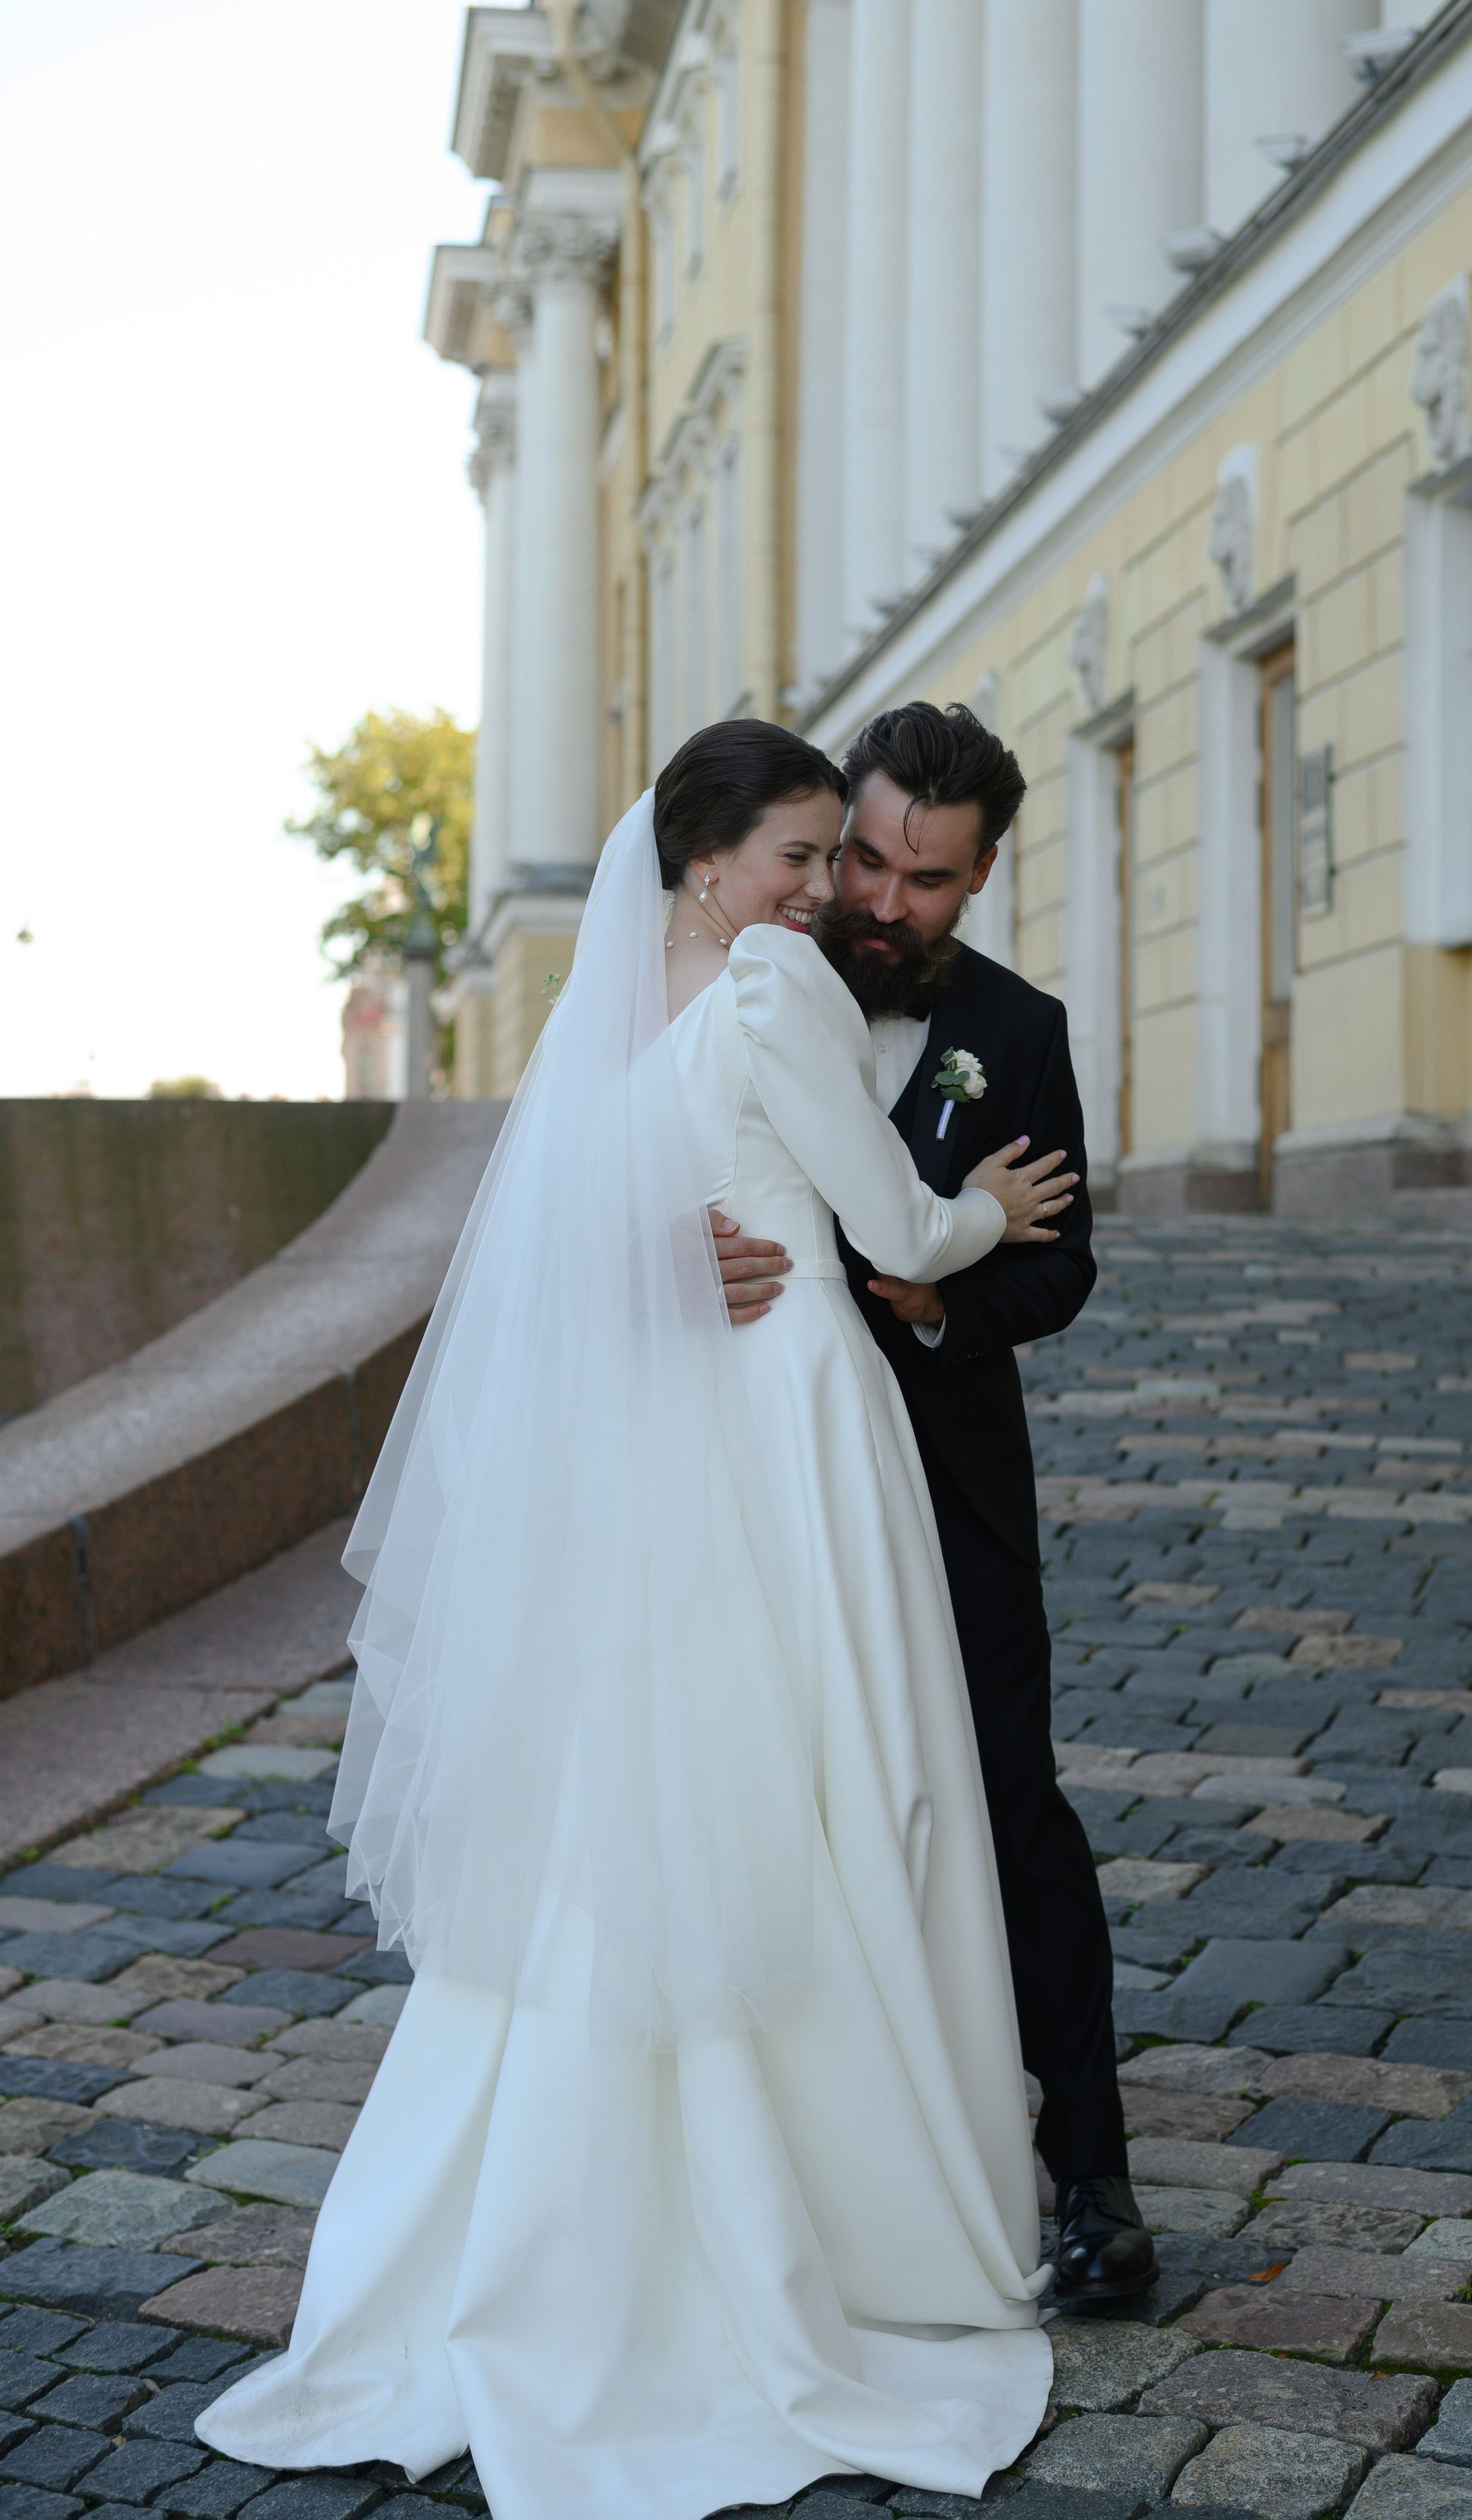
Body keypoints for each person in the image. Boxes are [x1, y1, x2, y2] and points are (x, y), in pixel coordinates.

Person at [195, 720, 1081, 2520]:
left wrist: (661, 1253)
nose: (831, 888)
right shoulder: (772, 990)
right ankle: (867, 2214)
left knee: (688, 1782)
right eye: (807, 854)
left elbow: (567, 1221)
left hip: (685, 1432)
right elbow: (890, 1212)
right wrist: (983, 1207)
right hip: (800, 1426)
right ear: (708, 861)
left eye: (852, 859)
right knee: (854, 1779)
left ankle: (577, 2213)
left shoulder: (621, 1003)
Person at [712, 701, 1153, 2309]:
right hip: (760, 1474)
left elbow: (1060, 1262)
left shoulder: (1015, 1029)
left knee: (1006, 1810)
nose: (881, 902)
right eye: (869, 861)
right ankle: (795, 2174)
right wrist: (665, 1252)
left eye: (925, 879)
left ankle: (1086, 2173)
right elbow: (604, 1175)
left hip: (948, 1487)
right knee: (765, 1800)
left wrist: (937, 1311)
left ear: (979, 879)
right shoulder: (738, 965)